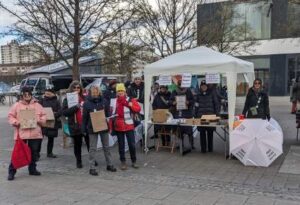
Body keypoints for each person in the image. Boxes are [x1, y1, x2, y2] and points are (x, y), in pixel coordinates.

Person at [7, 87, 46, 180]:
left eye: (29, 94)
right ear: (22, 95)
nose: (27, 96)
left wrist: (39, 121)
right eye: (25, 94)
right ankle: (12, 171)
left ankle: (32, 169)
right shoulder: (16, 105)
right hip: (21, 134)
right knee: (17, 153)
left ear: (31, 95)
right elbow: (10, 116)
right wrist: (16, 122)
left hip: (35, 133)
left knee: (34, 153)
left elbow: (44, 116)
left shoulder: (37, 105)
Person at [82, 85, 117, 176]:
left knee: (106, 147)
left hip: (103, 127)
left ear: (99, 92)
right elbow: (84, 117)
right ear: (90, 92)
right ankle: (92, 167)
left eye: (96, 91)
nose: (95, 93)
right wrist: (83, 128)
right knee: (93, 148)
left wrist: (110, 118)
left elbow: (108, 113)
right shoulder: (86, 103)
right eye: (93, 92)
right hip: (92, 128)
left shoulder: (104, 102)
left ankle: (109, 164)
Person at [112, 83, 141, 170]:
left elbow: (138, 109)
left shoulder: (130, 99)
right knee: (121, 145)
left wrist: (129, 104)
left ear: (125, 92)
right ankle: (123, 162)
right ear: (116, 92)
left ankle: (134, 161)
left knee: (132, 145)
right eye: (118, 91)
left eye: (122, 91)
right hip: (119, 126)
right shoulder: (114, 101)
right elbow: (111, 113)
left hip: (129, 125)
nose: (120, 93)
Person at [62, 81, 89, 168]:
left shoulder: (85, 98)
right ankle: (79, 161)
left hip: (85, 124)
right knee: (78, 144)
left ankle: (92, 159)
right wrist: (76, 107)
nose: (76, 89)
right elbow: (65, 112)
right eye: (74, 87)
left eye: (78, 87)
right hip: (75, 124)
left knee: (89, 143)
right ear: (71, 88)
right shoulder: (67, 99)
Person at [195, 80, 219, 153]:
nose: (203, 87)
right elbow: (196, 106)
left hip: (210, 116)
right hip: (201, 116)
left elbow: (216, 104)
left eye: (205, 86)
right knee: (202, 133)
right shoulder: (198, 95)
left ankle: (210, 148)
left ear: (207, 86)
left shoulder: (212, 94)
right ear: (200, 87)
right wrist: (195, 115)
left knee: (210, 132)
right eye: (202, 86)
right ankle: (203, 149)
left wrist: (216, 114)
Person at [169, 79, 194, 149]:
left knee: (189, 129)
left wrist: (188, 102)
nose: (181, 86)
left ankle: (191, 144)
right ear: (178, 85)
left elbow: (193, 100)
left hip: (187, 113)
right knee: (180, 130)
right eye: (179, 85)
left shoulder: (188, 91)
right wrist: (173, 102)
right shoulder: (174, 91)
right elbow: (170, 101)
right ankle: (181, 144)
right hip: (178, 113)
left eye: (182, 84)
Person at [39, 88, 62, 158]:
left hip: (52, 122)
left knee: (51, 139)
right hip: (43, 122)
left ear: (53, 94)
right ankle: (36, 154)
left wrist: (53, 115)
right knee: (39, 139)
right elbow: (38, 110)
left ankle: (49, 153)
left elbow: (60, 111)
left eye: (49, 93)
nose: (47, 95)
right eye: (46, 93)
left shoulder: (57, 101)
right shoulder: (42, 101)